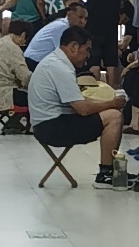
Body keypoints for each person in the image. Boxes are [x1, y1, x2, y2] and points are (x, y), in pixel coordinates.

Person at [28, 25, 126, 180]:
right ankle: (106, 173)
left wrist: (106, 103)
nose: (88, 56)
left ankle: (108, 170)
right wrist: (112, 104)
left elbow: (78, 100)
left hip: (47, 123)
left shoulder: (55, 62)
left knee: (109, 112)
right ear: (74, 46)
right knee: (114, 116)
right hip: (52, 128)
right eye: (87, 50)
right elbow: (83, 109)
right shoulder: (60, 68)